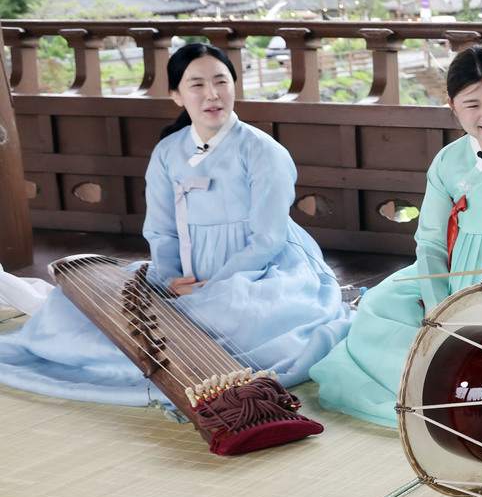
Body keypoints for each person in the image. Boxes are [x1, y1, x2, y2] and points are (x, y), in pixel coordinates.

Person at [0, 43, 350, 405]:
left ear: (234, 85)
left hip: (260, 267)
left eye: (221, 81)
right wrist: (168, 278)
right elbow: (161, 228)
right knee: (77, 309)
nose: (212, 94)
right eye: (196, 84)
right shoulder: (169, 151)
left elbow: (268, 237)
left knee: (231, 318)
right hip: (186, 268)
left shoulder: (264, 151)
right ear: (176, 95)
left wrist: (214, 284)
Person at [310, 44, 482, 427]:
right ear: (452, 106)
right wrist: (437, 307)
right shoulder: (447, 162)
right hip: (458, 273)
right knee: (378, 307)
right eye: (472, 104)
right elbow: (429, 242)